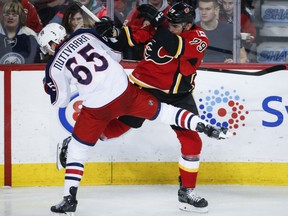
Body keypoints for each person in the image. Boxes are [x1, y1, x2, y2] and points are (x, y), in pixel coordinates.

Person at [38, 20, 231, 214]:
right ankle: (74, 142)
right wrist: (118, 31)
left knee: (191, 141)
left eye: (175, 25)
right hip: (144, 86)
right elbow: (128, 42)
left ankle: (187, 192)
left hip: (179, 92)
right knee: (119, 128)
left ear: (187, 25)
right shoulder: (158, 20)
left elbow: (175, 47)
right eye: (168, 24)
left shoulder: (197, 36)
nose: (170, 27)